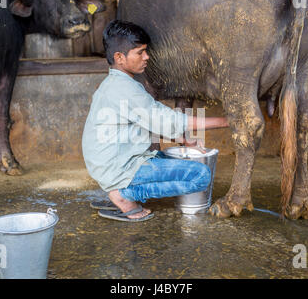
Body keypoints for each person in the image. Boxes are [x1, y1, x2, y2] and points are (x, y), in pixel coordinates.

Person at [82, 20, 229, 222]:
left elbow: (147, 123)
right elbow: (168, 119)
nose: (147, 57)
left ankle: (118, 189)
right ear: (120, 57)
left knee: (167, 158)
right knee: (201, 176)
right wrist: (227, 121)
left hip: (117, 162)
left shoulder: (117, 84)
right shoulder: (125, 90)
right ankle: (123, 195)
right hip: (121, 167)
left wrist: (185, 141)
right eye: (140, 52)